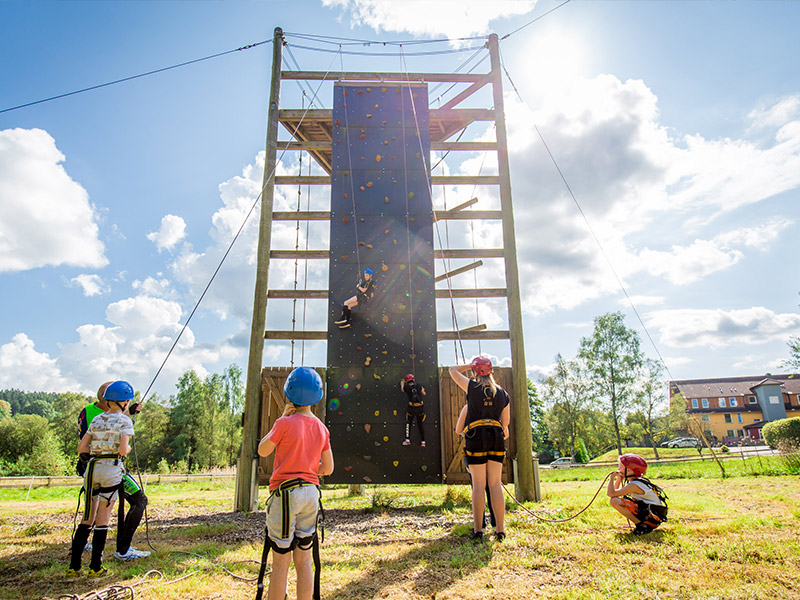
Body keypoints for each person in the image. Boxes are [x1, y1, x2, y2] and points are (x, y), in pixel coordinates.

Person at [257, 366, 334, 600]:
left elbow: (263, 450)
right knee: (304, 559)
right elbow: (328, 469)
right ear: (317, 397)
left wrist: (280, 420)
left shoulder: (284, 424)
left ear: (288, 394)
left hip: (286, 495)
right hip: (311, 494)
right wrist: (309, 470)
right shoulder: (322, 429)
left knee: (281, 561)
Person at [67, 381, 136, 578]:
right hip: (110, 470)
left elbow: (82, 448)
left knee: (86, 518)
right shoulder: (125, 421)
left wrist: (99, 450)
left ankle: (74, 566)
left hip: (92, 469)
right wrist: (125, 450)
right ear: (124, 401)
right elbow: (124, 450)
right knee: (102, 520)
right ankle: (95, 567)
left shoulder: (97, 419)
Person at [75, 382, 150, 561]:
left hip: (92, 468)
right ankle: (122, 551)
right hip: (111, 468)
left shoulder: (93, 415)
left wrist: (129, 412)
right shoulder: (111, 417)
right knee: (138, 501)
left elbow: (85, 442)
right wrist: (127, 419)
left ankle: (76, 558)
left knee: (90, 514)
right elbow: (119, 437)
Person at [451, 356, 510, 542]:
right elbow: (505, 423)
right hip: (496, 437)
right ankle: (500, 530)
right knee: (495, 484)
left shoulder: (472, 387)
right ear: (491, 371)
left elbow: (452, 371)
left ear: (476, 372)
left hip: (476, 437)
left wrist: (470, 365)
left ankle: (478, 531)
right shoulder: (502, 393)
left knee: (478, 485)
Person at [606, 453, 668, 535]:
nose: (618, 469)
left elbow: (611, 494)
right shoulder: (637, 482)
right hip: (652, 514)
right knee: (615, 500)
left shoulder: (634, 485)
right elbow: (615, 494)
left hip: (652, 517)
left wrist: (611, 478)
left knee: (614, 501)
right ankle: (642, 524)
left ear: (629, 470)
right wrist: (618, 478)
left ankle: (641, 525)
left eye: (621, 467)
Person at [400, 374, 426, 447]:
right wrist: (422, 389)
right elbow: (424, 393)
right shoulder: (418, 385)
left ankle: (407, 439)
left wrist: (402, 384)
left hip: (411, 407)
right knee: (420, 424)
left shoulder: (406, 387)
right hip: (420, 407)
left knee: (408, 423)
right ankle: (423, 441)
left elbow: (402, 389)